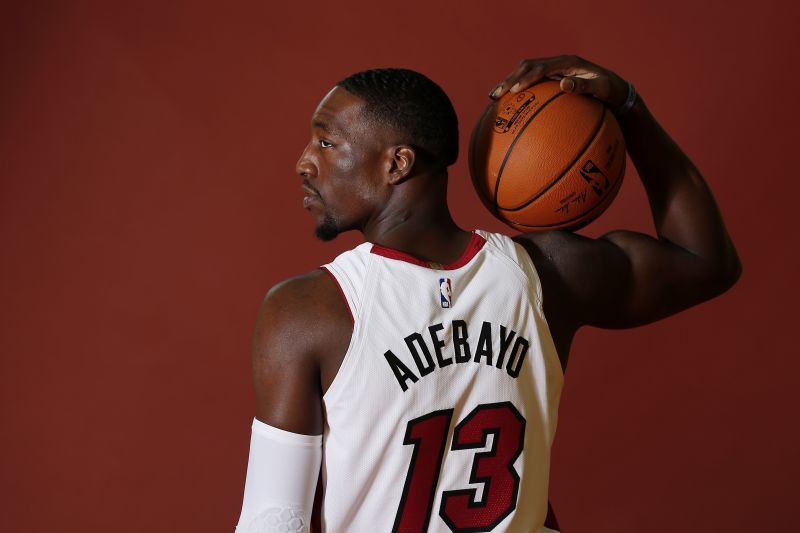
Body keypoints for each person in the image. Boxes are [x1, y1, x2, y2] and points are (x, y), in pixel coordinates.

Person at [235, 55, 741, 533]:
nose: (303, 162)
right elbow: (704, 260)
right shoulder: (548, 275)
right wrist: (629, 108)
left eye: (326, 143)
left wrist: (629, 106)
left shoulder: (308, 310)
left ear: (398, 164)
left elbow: (273, 520)